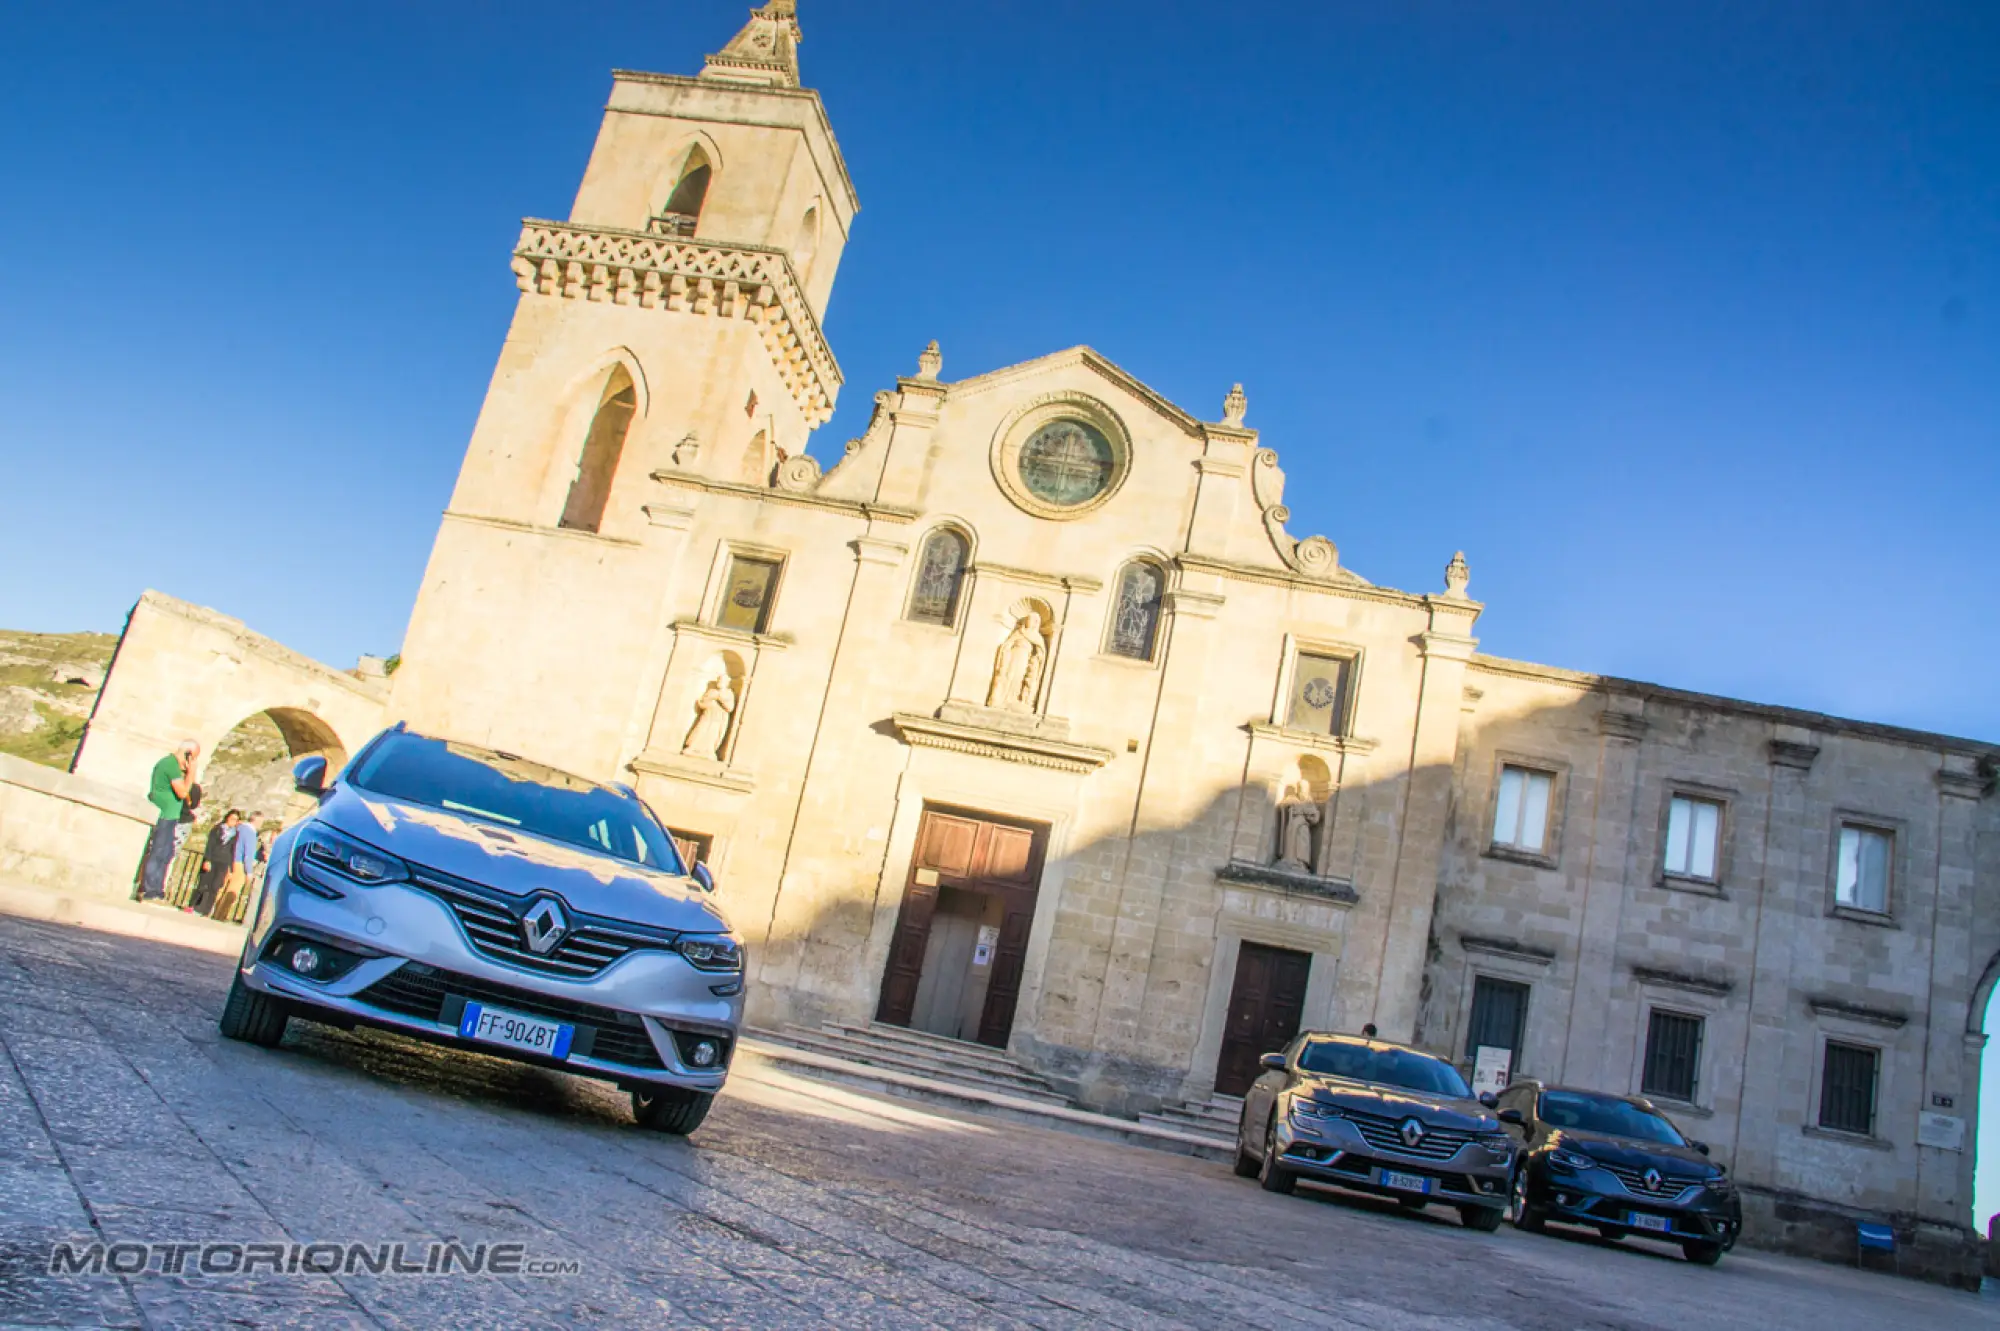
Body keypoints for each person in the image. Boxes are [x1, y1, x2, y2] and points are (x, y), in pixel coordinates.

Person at [135, 741, 200, 903]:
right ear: (188, 754)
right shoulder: (170, 765)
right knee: (158, 852)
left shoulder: (173, 766)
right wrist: (191, 773)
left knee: (165, 853)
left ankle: (157, 889)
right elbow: (183, 792)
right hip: (164, 814)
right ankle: (149, 889)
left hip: (171, 815)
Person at [212, 811, 262, 921]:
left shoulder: (239, 828)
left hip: (230, 859)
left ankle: (214, 910)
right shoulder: (250, 832)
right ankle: (221, 915)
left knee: (223, 887)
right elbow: (248, 853)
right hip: (240, 863)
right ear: (257, 821)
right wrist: (249, 871)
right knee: (233, 890)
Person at [189, 809, 241, 916]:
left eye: (235, 820)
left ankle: (205, 910)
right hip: (212, 859)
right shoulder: (217, 829)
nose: (233, 821)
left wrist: (231, 869)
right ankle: (194, 906)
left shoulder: (235, 834)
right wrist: (207, 860)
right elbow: (210, 845)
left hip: (223, 862)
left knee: (215, 886)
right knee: (204, 884)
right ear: (227, 818)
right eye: (232, 818)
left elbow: (233, 851)